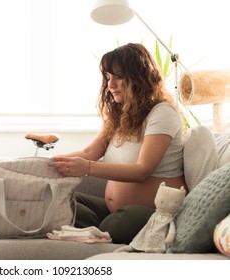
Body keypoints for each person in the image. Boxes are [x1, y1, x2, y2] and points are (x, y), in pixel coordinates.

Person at [48, 43, 186, 244]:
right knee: (59, 201)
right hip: (112, 210)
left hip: (153, 213)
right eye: (108, 78)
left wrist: (87, 168)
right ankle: (96, 229)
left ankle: (96, 229)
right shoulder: (118, 116)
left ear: (139, 77)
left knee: (117, 222)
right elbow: (88, 152)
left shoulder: (162, 113)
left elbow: (142, 171)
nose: (110, 85)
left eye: (118, 77)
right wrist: (46, 163)